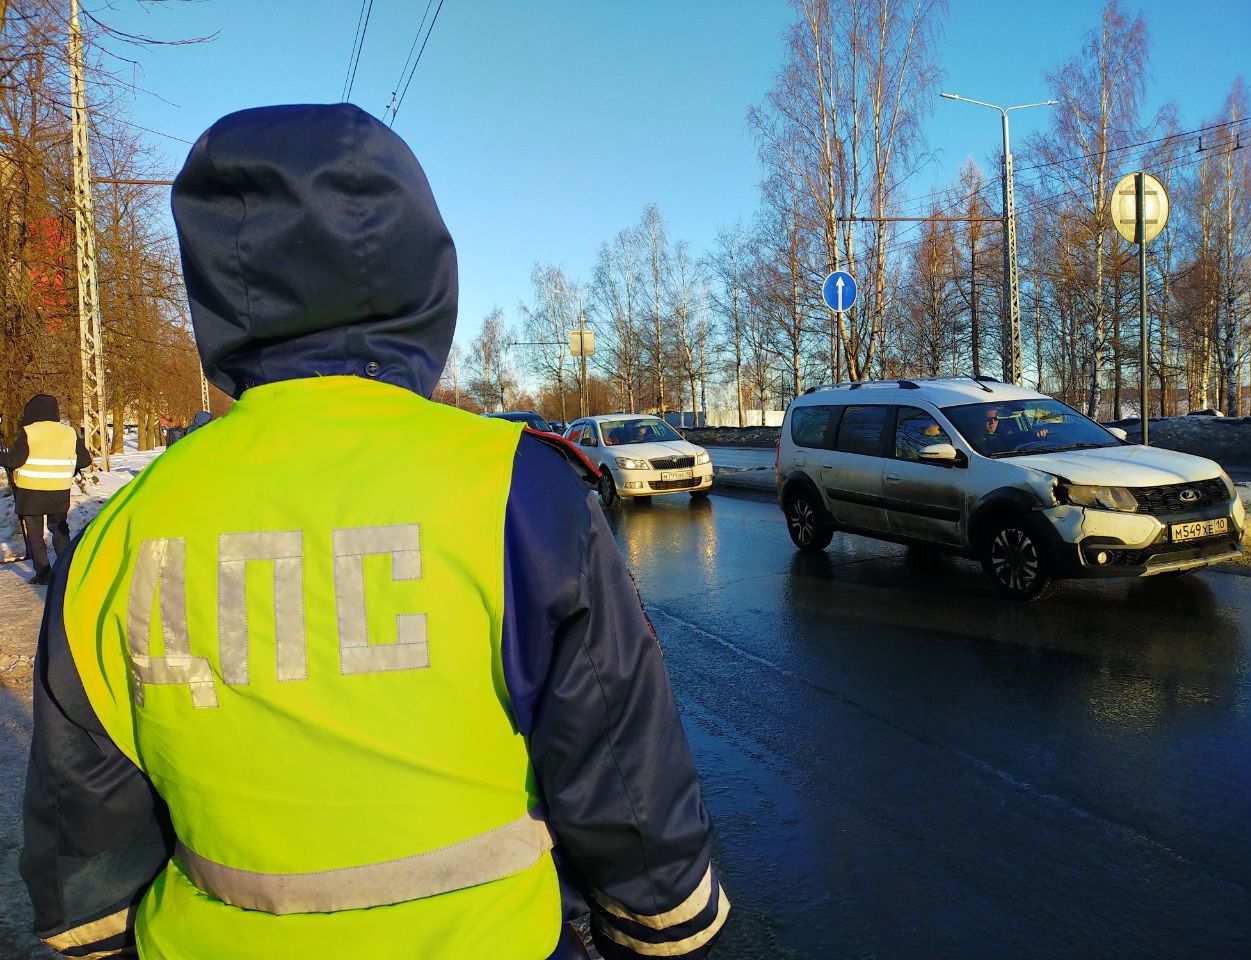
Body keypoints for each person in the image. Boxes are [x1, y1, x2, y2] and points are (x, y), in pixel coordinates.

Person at [21, 104, 727, 960]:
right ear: (424, 272)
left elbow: (83, 846)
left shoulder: (122, 533)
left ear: (216, 281)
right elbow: (622, 774)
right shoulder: (518, 492)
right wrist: (658, 924)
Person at [0, 394, 90, 584]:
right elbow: (84, 460)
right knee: (59, 529)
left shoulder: (29, 431)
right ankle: (66, 568)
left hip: (31, 492)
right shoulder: (69, 432)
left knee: (35, 533)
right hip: (59, 490)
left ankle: (43, 573)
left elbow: (15, 460)